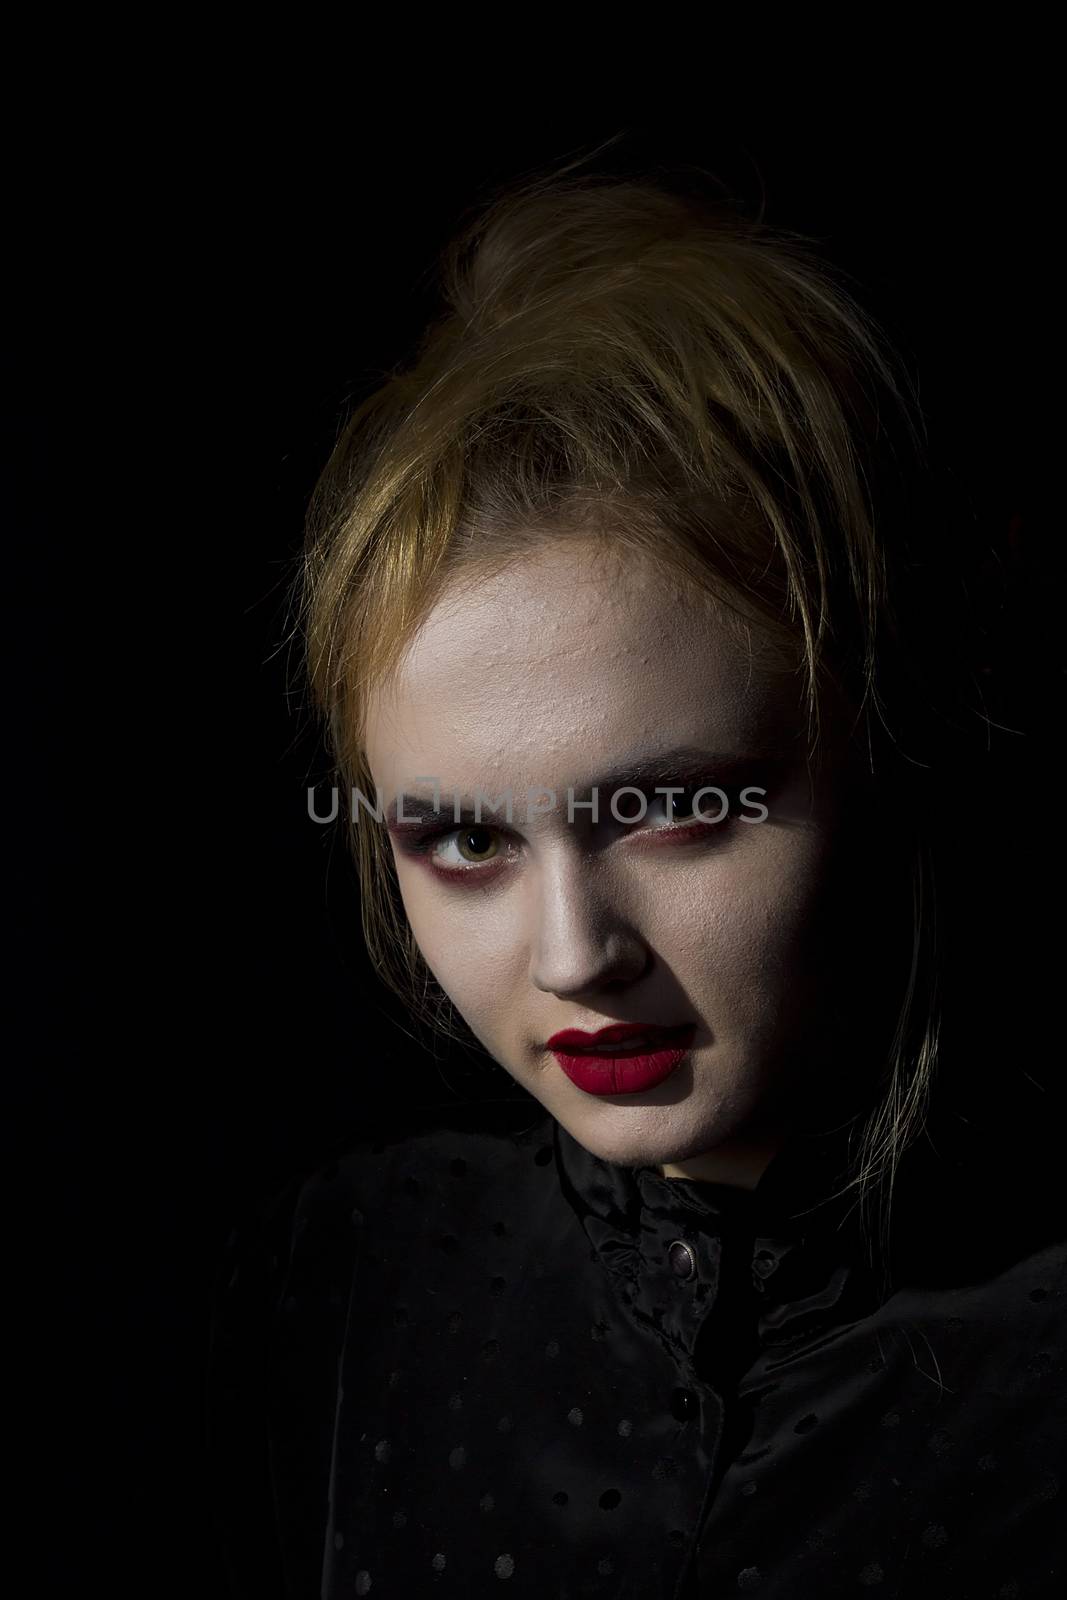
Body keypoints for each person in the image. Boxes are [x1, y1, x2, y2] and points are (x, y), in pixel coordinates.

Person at [205, 153, 1065, 1597]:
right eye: (465, 839)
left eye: (673, 809)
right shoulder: (346, 1284)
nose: (571, 954)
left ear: (884, 741)